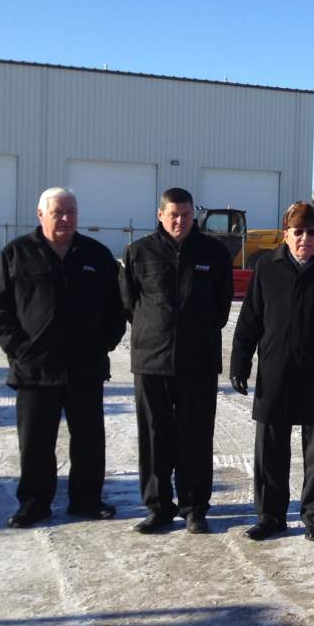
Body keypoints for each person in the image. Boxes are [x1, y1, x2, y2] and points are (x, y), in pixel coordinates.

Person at [0, 187, 126, 528]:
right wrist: (18, 348)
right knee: (35, 442)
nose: (66, 219)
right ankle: (34, 503)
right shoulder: (17, 254)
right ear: (41, 214)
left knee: (89, 439)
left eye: (71, 212)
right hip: (35, 369)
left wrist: (102, 344)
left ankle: (87, 499)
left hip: (85, 368)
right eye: (59, 212)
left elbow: (117, 307)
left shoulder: (96, 255)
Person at [229, 202, 314, 542]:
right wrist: (240, 362)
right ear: (285, 233)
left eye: (313, 232)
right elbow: (250, 320)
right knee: (270, 449)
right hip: (275, 371)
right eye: (298, 232)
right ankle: (270, 516)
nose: (306, 239)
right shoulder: (268, 267)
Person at [119, 187, 234, 535]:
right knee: (154, 435)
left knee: (195, 436)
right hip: (151, 360)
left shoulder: (213, 253)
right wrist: (154, 330)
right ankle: (158, 507)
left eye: (185, 215)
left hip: (197, 362)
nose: (180, 221)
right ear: (160, 215)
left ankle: (195, 507)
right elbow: (128, 302)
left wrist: (195, 332)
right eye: (173, 215)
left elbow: (222, 306)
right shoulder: (139, 253)